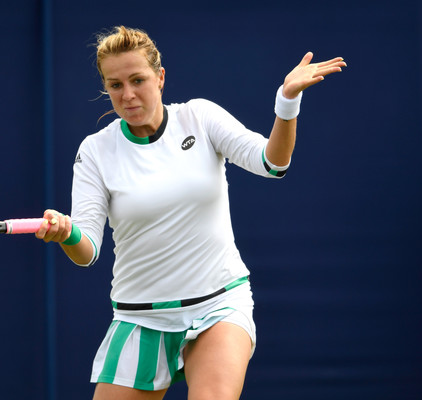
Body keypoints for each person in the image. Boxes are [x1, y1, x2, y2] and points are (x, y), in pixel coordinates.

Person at [36, 26, 345, 400]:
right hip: (140, 317)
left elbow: (272, 163)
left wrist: (287, 101)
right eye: (115, 85)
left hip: (219, 303)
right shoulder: (96, 151)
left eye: (138, 80)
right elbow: (87, 251)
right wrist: (67, 233)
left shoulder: (200, 117)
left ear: (160, 77)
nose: (128, 95)